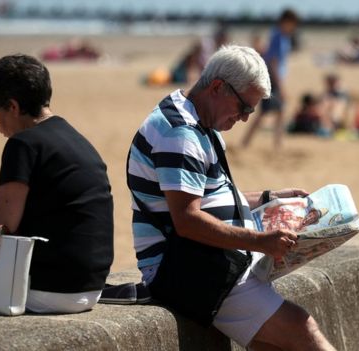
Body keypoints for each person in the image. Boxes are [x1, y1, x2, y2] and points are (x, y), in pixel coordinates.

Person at [127, 45, 336, 350]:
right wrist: (260, 242)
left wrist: (269, 197)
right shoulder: (179, 135)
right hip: (183, 266)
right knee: (301, 328)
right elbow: (187, 220)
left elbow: (211, 196)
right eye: (244, 108)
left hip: (209, 257)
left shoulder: (199, 119)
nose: (245, 118)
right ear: (217, 87)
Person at [0, 54, 114, 313]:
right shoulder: (77, 140)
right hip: (91, 287)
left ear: (12, 107)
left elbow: (2, 229)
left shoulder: (22, 144)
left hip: (49, 289)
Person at [241, 9, 300, 149]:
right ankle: (246, 142)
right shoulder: (278, 36)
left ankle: (277, 143)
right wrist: (280, 85)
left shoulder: (281, 35)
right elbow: (273, 61)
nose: (294, 27)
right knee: (265, 111)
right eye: (293, 24)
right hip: (273, 78)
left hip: (275, 77)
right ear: (286, 21)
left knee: (279, 111)